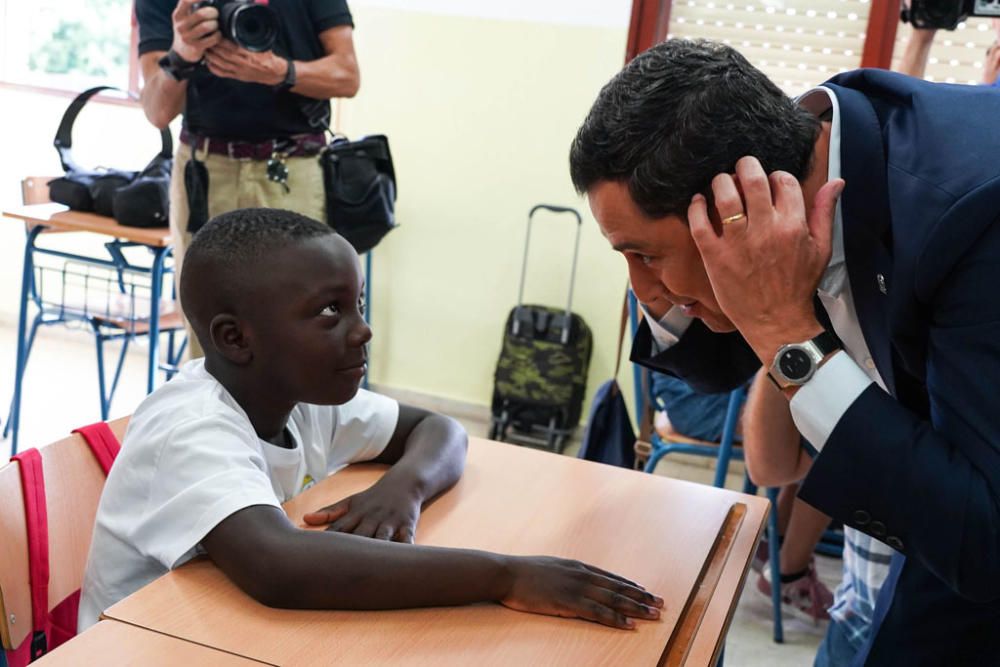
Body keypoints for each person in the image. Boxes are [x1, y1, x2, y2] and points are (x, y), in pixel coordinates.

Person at [570, 39, 1000, 664]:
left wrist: (783, 328)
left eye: (645, 255)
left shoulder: (969, 213)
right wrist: (696, 288)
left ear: (734, 209)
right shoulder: (803, 149)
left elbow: (983, 541)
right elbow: (719, 363)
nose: (641, 291)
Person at [78, 208, 663, 631]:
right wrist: (505, 576)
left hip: (223, 633)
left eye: (356, 305)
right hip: (142, 646)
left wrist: (401, 490)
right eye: (329, 311)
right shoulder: (191, 426)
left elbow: (440, 430)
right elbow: (280, 568)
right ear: (236, 338)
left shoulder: (298, 398)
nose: (362, 330)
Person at [135, 0, 361, 358]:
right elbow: (157, 110)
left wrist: (281, 72)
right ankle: (213, 414)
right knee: (209, 323)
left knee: (303, 321)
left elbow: (347, 75)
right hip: (205, 172)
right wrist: (182, 52)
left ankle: (296, 417)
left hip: (294, 166)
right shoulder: (178, 6)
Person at [650, 372, 833, 624]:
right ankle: (789, 572)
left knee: (823, 418)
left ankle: (776, 542)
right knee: (832, 435)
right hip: (700, 399)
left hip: (695, 390)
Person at [743, 369, 890, 665]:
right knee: (834, 451)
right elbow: (769, 469)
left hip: (891, 615)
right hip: (857, 615)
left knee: (837, 451)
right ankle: (784, 564)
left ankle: (781, 556)